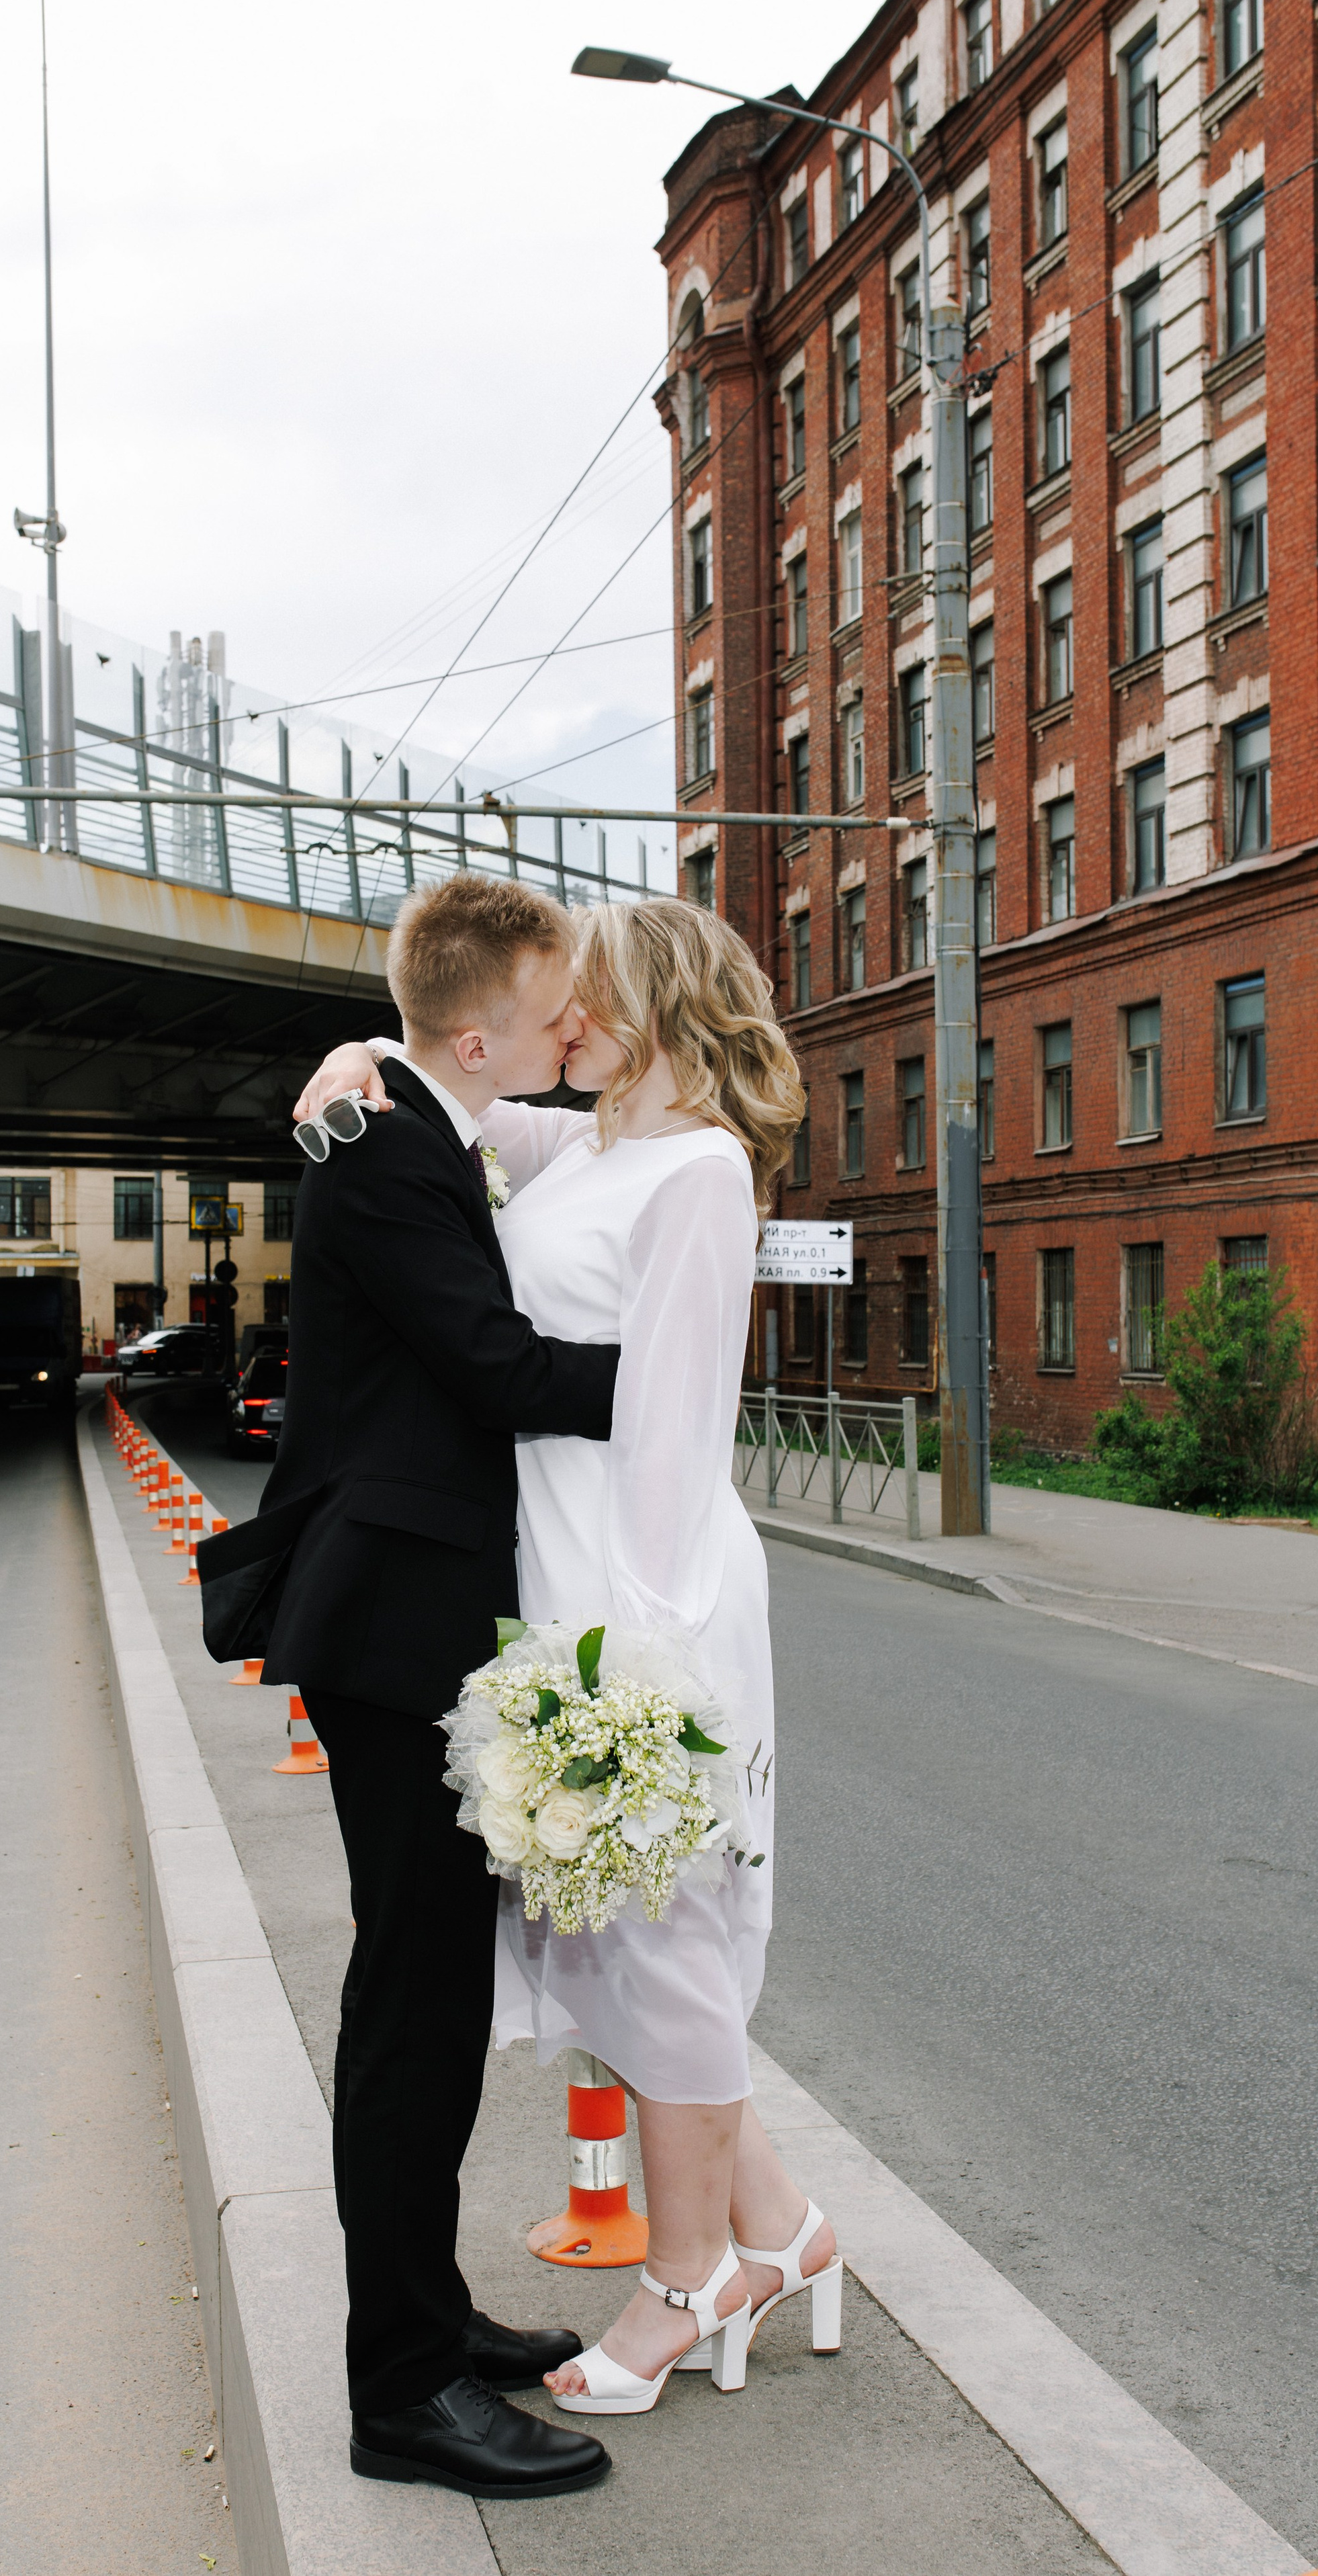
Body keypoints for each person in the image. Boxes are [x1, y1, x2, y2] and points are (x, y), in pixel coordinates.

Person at [298, 895, 842, 2423]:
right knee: (610, 1943)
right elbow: (443, 1081)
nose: (570, 1020)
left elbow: (674, 1436)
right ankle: (786, 2229)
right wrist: (353, 1054)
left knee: (660, 1941)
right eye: (560, 1002)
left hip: (634, 1593)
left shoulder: (700, 1170)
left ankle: (688, 2277)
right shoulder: (581, 1143)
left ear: (656, 1008)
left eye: (592, 997)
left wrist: (636, 1671)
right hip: (551, 1590)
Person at [257, 873, 621, 2501]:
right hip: (396, 1624)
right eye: (549, 1010)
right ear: (477, 1038)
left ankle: (428, 2313)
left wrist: (359, 1049)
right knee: (413, 2007)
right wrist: (680, 1373)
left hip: (410, 1616)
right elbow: (494, 1366)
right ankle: (400, 2387)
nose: (570, 1026)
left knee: (430, 1995)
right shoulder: (388, 1145)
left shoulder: (406, 1116)